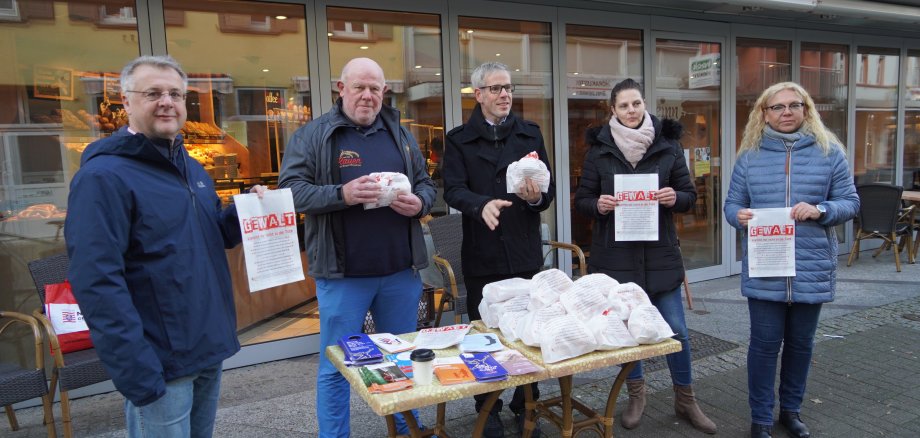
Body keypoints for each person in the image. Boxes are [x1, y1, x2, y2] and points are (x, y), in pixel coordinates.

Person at [65, 55, 266, 437]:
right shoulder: (103, 177)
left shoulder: (191, 167)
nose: (167, 102)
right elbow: (96, 282)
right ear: (125, 102)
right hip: (159, 360)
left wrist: (245, 211)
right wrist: (135, 370)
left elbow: (213, 236)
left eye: (175, 93)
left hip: (207, 346)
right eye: (153, 92)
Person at [278, 57, 436, 438]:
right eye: (359, 87)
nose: (367, 96)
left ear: (384, 92)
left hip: (399, 270)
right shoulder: (314, 135)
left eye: (375, 89)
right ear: (341, 88)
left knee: (398, 357)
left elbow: (426, 183)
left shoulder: (399, 133)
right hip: (343, 275)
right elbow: (289, 193)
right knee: (336, 366)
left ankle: (403, 426)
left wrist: (420, 203)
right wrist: (342, 193)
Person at [573, 78, 717, 434]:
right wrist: (599, 205)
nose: (631, 110)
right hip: (616, 260)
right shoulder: (600, 151)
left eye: (636, 103)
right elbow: (582, 201)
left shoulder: (667, 146)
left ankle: (686, 399)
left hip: (660, 256)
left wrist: (674, 198)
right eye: (624, 106)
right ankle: (636, 395)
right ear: (613, 110)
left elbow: (688, 196)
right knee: (629, 335)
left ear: (644, 104)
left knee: (678, 332)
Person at [724, 82, 859, 438]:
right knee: (764, 347)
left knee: (801, 345)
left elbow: (850, 202)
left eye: (794, 105)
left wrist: (821, 209)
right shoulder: (749, 155)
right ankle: (761, 418)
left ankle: (792, 411)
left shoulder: (830, 152)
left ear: (806, 109)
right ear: (763, 114)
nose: (786, 112)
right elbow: (732, 205)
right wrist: (739, 217)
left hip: (809, 267)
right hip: (767, 266)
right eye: (777, 107)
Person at [442, 61, 554, 438]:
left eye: (508, 88)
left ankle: (528, 405)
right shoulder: (459, 139)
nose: (504, 94)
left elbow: (547, 191)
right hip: (483, 253)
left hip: (523, 252)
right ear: (478, 95)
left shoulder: (530, 134)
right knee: (483, 337)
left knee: (527, 334)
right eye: (495, 89)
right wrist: (480, 204)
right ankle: (487, 407)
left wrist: (537, 197)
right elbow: (452, 189)